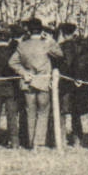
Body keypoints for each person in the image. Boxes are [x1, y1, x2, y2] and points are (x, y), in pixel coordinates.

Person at [11, 18, 65, 150]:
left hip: (27, 82)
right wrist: (51, 41)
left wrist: (23, 72)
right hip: (43, 82)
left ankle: (31, 142)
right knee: (43, 112)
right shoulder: (46, 44)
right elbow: (60, 54)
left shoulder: (22, 45)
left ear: (28, 31)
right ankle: (39, 143)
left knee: (30, 112)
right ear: (41, 31)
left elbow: (12, 62)